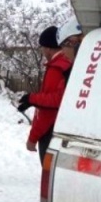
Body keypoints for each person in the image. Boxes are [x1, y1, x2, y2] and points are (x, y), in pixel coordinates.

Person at [17, 20, 83, 164]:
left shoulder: (57, 68)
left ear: (47, 48)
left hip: (52, 132)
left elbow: (51, 108)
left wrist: (32, 138)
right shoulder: (75, 63)